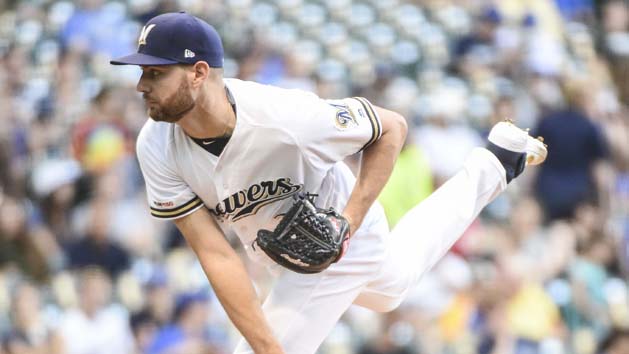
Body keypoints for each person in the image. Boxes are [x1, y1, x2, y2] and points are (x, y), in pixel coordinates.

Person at [110, 12, 547, 354]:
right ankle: (496, 162)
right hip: (292, 252)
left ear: (198, 73)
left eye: (155, 73)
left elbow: (390, 127)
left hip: (339, 238)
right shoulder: (156, 144)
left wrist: (347, 221)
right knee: (391, 288)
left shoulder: (284, 118)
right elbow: (215, 253)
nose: (141, 85)